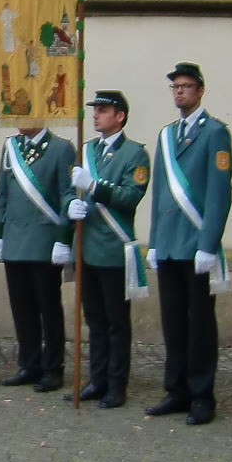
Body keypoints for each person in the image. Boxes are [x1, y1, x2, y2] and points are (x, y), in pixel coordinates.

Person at [143, 63, 232, 425]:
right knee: (173, 322)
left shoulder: (215, 133)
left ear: (200, 90)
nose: (179, 92)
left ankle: (201, 394)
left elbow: (219, 192)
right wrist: (154, 240)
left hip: (196, 244)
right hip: (169, 243)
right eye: (175, 87)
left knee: (200, 325)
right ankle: (176, 389)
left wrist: (208, 244)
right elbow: (160, 192)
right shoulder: (167, 135)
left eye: (186, 86)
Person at [68, 89, 150, 408]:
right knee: (94, 321)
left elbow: (130, 197)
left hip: (114, 249)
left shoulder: (134, 154)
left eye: (103, 110)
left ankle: (117, 384)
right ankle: (97, 379)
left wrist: (93, 186)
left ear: (120, 116)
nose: (95, 115)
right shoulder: (87, 150)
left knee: (116, 323)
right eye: (95, 110)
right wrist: (71, 204)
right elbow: (70, 190)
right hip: (87, 247)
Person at [0, 118, 75, 392]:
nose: (18, 120)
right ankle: (28, 364)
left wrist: (63, 239)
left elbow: (67, 194)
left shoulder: (61, 149)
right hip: (15, 239)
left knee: (48, 309)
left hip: (44, 241)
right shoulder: (11, 147)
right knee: (22, 308)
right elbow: (2, 193)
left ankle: (52, 368)